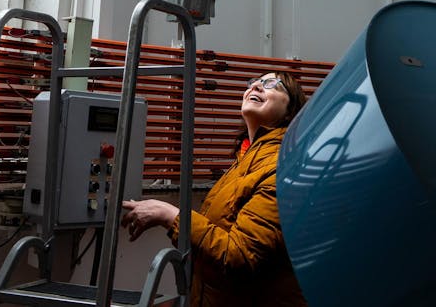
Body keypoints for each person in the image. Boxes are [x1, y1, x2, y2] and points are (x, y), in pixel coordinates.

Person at [121, 71, 308, 306]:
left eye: (271, 84)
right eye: (253, 82)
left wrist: (169, 215)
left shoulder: (281, 166)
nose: (257, 86)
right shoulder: (246, 160)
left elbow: (239, 257)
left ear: (290, 110)